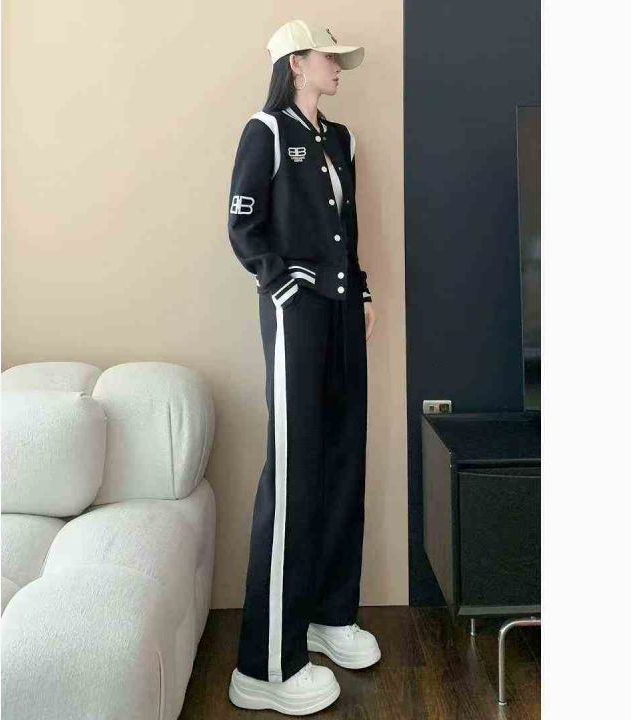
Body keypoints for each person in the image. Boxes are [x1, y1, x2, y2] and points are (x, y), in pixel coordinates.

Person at [226, 19, 380, 716]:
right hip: (297, 314)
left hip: (344, 314)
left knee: (344, 460)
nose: (338, 67)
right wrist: (282, 286)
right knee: (293, 474)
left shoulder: (340, 139)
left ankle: (328, 615)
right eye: (329, 57)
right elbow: (243, 225)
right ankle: (264, 664)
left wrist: (362, 291)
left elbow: (347, 230)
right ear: (295, 63)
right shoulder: (264, 131)